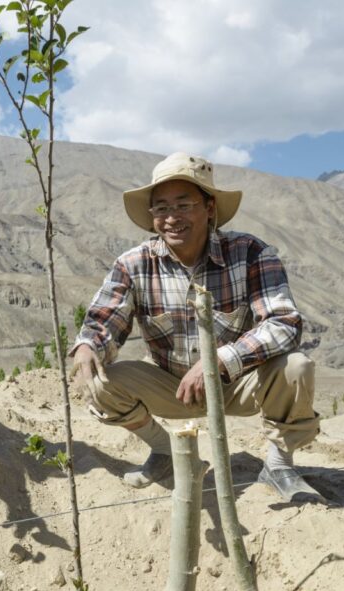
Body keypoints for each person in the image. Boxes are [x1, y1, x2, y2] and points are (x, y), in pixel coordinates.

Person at [70, 152, 323, 503]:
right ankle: (165, 452)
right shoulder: (134, 264)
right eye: (161, 208)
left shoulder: (250, 253)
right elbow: (105, 319)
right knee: (98, 378)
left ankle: (279, 465)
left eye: (183, 205)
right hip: (172, 386)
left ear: (209, 208)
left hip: (237, 382)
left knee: (296, 367)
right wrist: (89, 345)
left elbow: (284, 324)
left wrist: (218, 361)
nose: (171, 218)